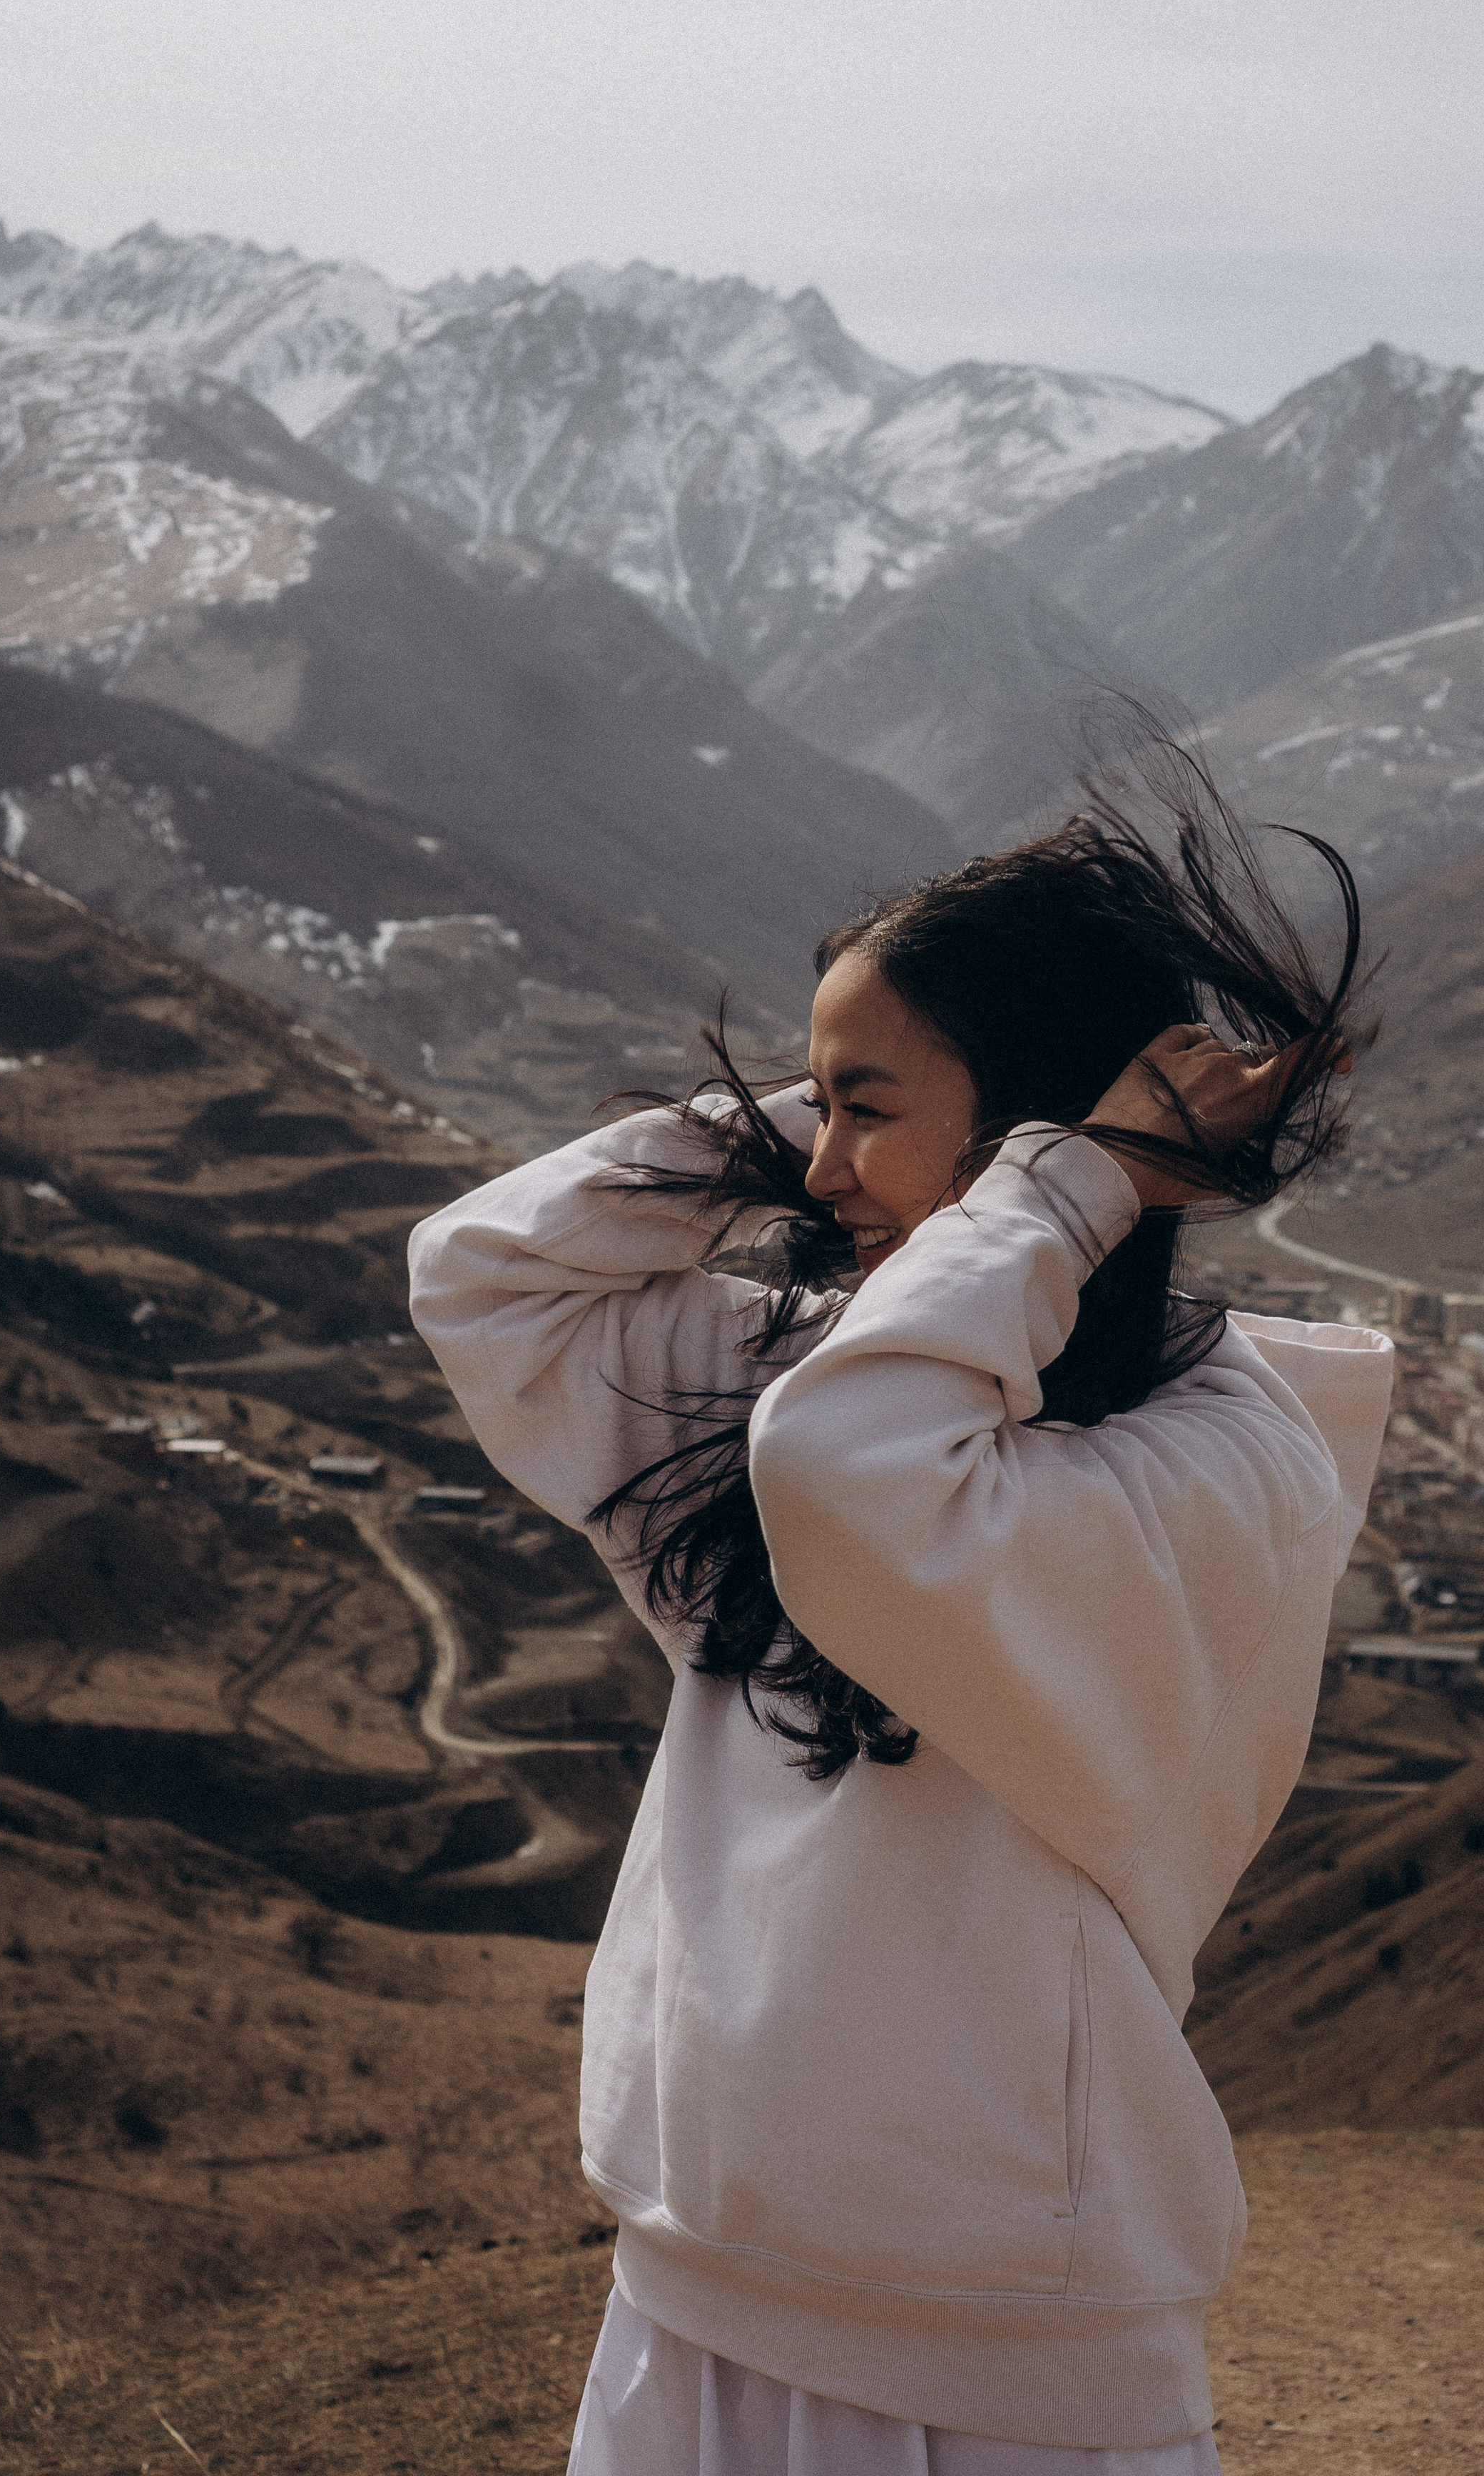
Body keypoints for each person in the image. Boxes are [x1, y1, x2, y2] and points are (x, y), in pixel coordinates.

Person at [407, 753, 1394, 2472]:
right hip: (692, 2285)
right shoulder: (803, 1372)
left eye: (863, 1106)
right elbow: (483, 1275)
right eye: (816, 1109)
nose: (827, 1165)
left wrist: (1061, 1184)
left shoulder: (1222, 1467)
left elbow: (864, 1478)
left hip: (1006, 2348)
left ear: (1035, 1126)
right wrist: (832, 1134)